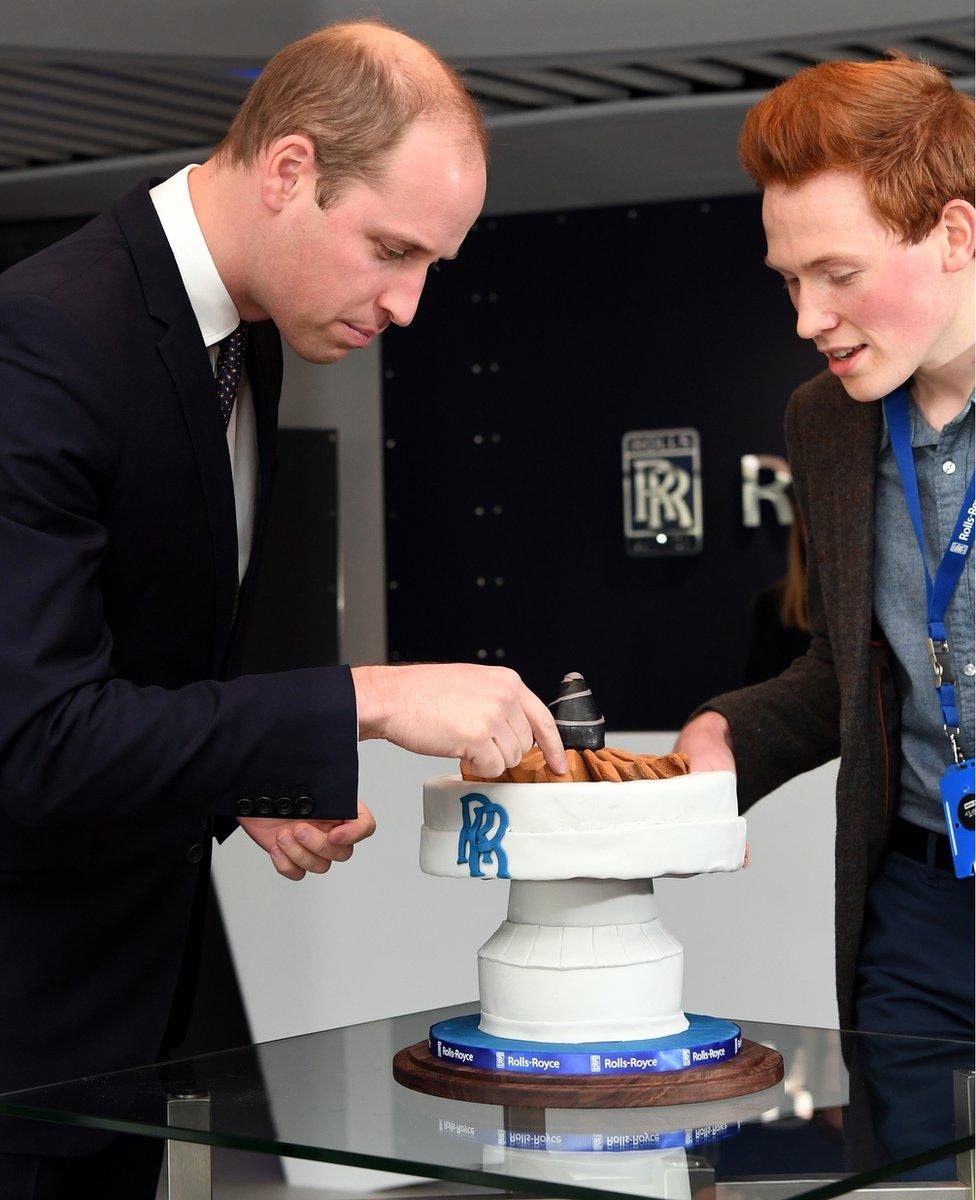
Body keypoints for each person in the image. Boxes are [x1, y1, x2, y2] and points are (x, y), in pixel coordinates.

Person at [0, 19, 567, 1197]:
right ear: (290, 170)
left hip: (120, 1036)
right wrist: (370, 699)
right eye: (391, 251)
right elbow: (34, 741)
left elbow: (138, 671)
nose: (409, 305)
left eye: (432, 268)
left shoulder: (245, 337)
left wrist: (239, 780)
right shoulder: (43, 342)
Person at [675, 53, 974, 1172]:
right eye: (789, 279)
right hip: (914, 902)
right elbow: (850, 668)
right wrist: (727, 737)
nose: (808, 317)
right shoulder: (829, 422)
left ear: (953, 233)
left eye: (838, 274)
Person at [743, 502, 811, 685]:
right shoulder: (774, 605)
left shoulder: (870, 606)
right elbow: (759, 688)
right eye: (809, 523)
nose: (821, 536)